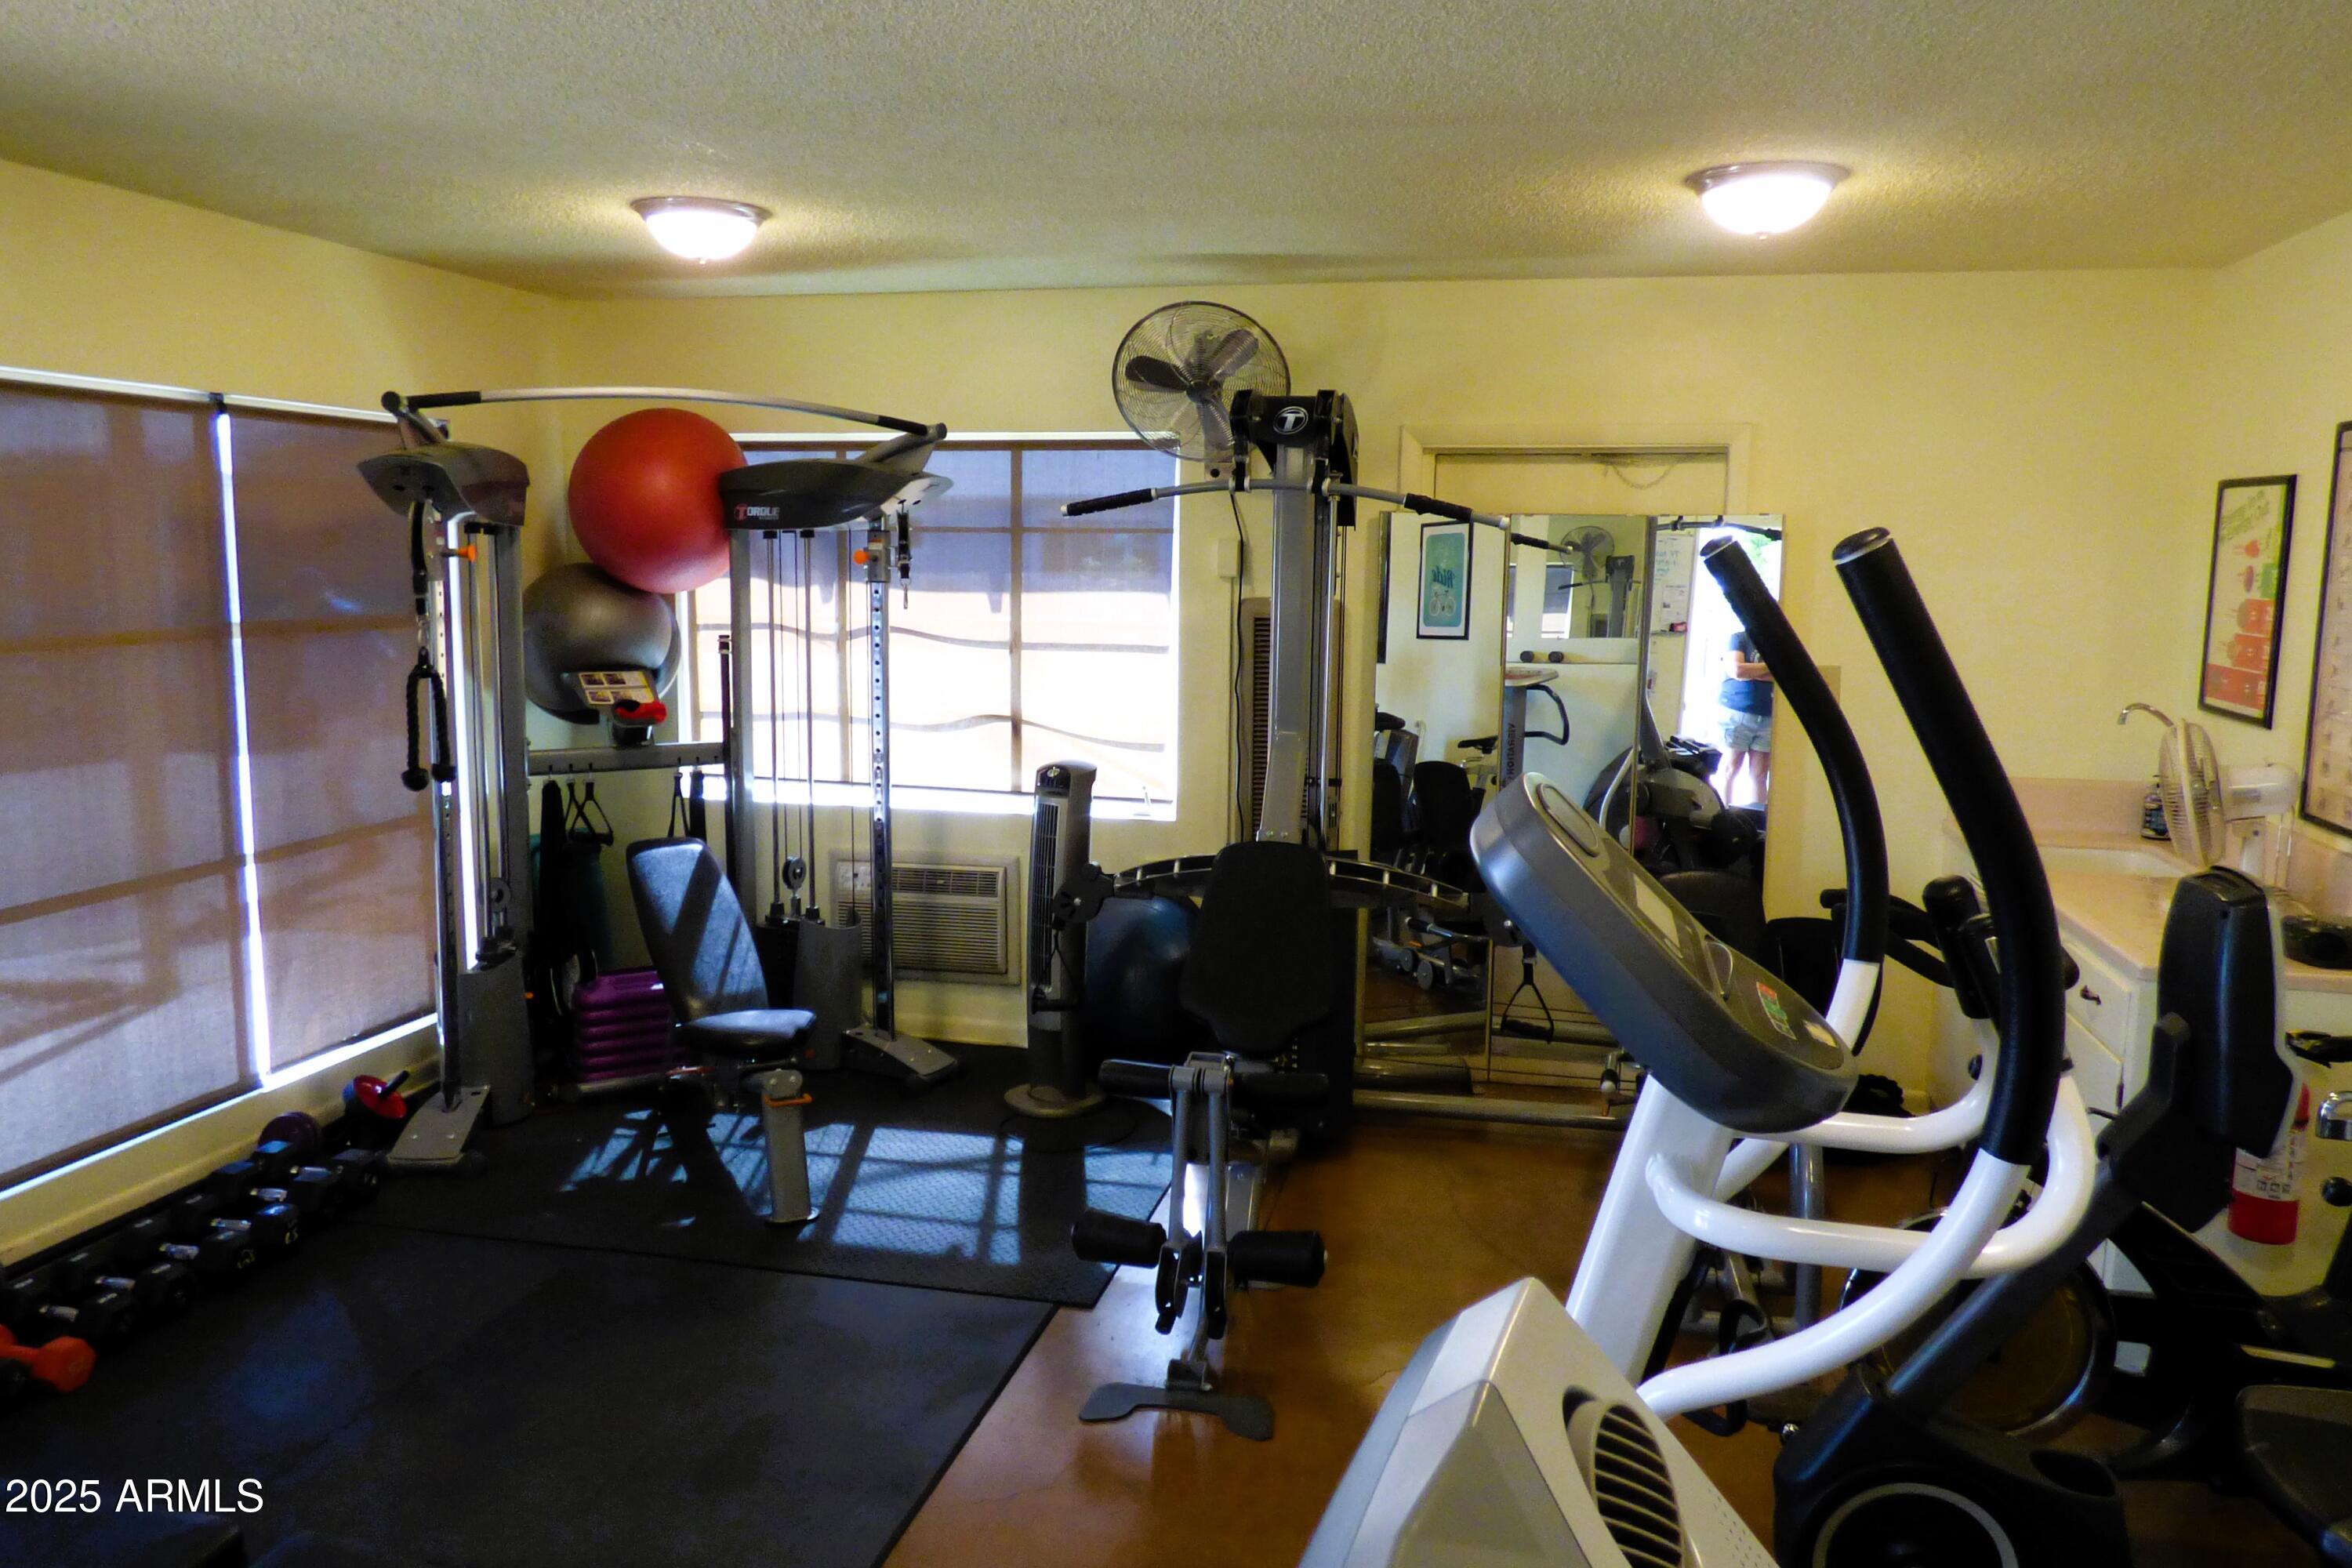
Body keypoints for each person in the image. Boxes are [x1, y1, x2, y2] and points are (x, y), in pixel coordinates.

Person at [1719, 630, 1773, 807]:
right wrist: (1773, 666)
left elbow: (1786, 675)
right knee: (1731, 769)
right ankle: (1724, 817)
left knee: (1760, 775)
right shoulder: (1739, 639)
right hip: (1737, 713)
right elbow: (1738, 670)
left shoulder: (1777, 643)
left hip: (1768, 716)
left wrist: (1753, 671)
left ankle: (1757, 822)